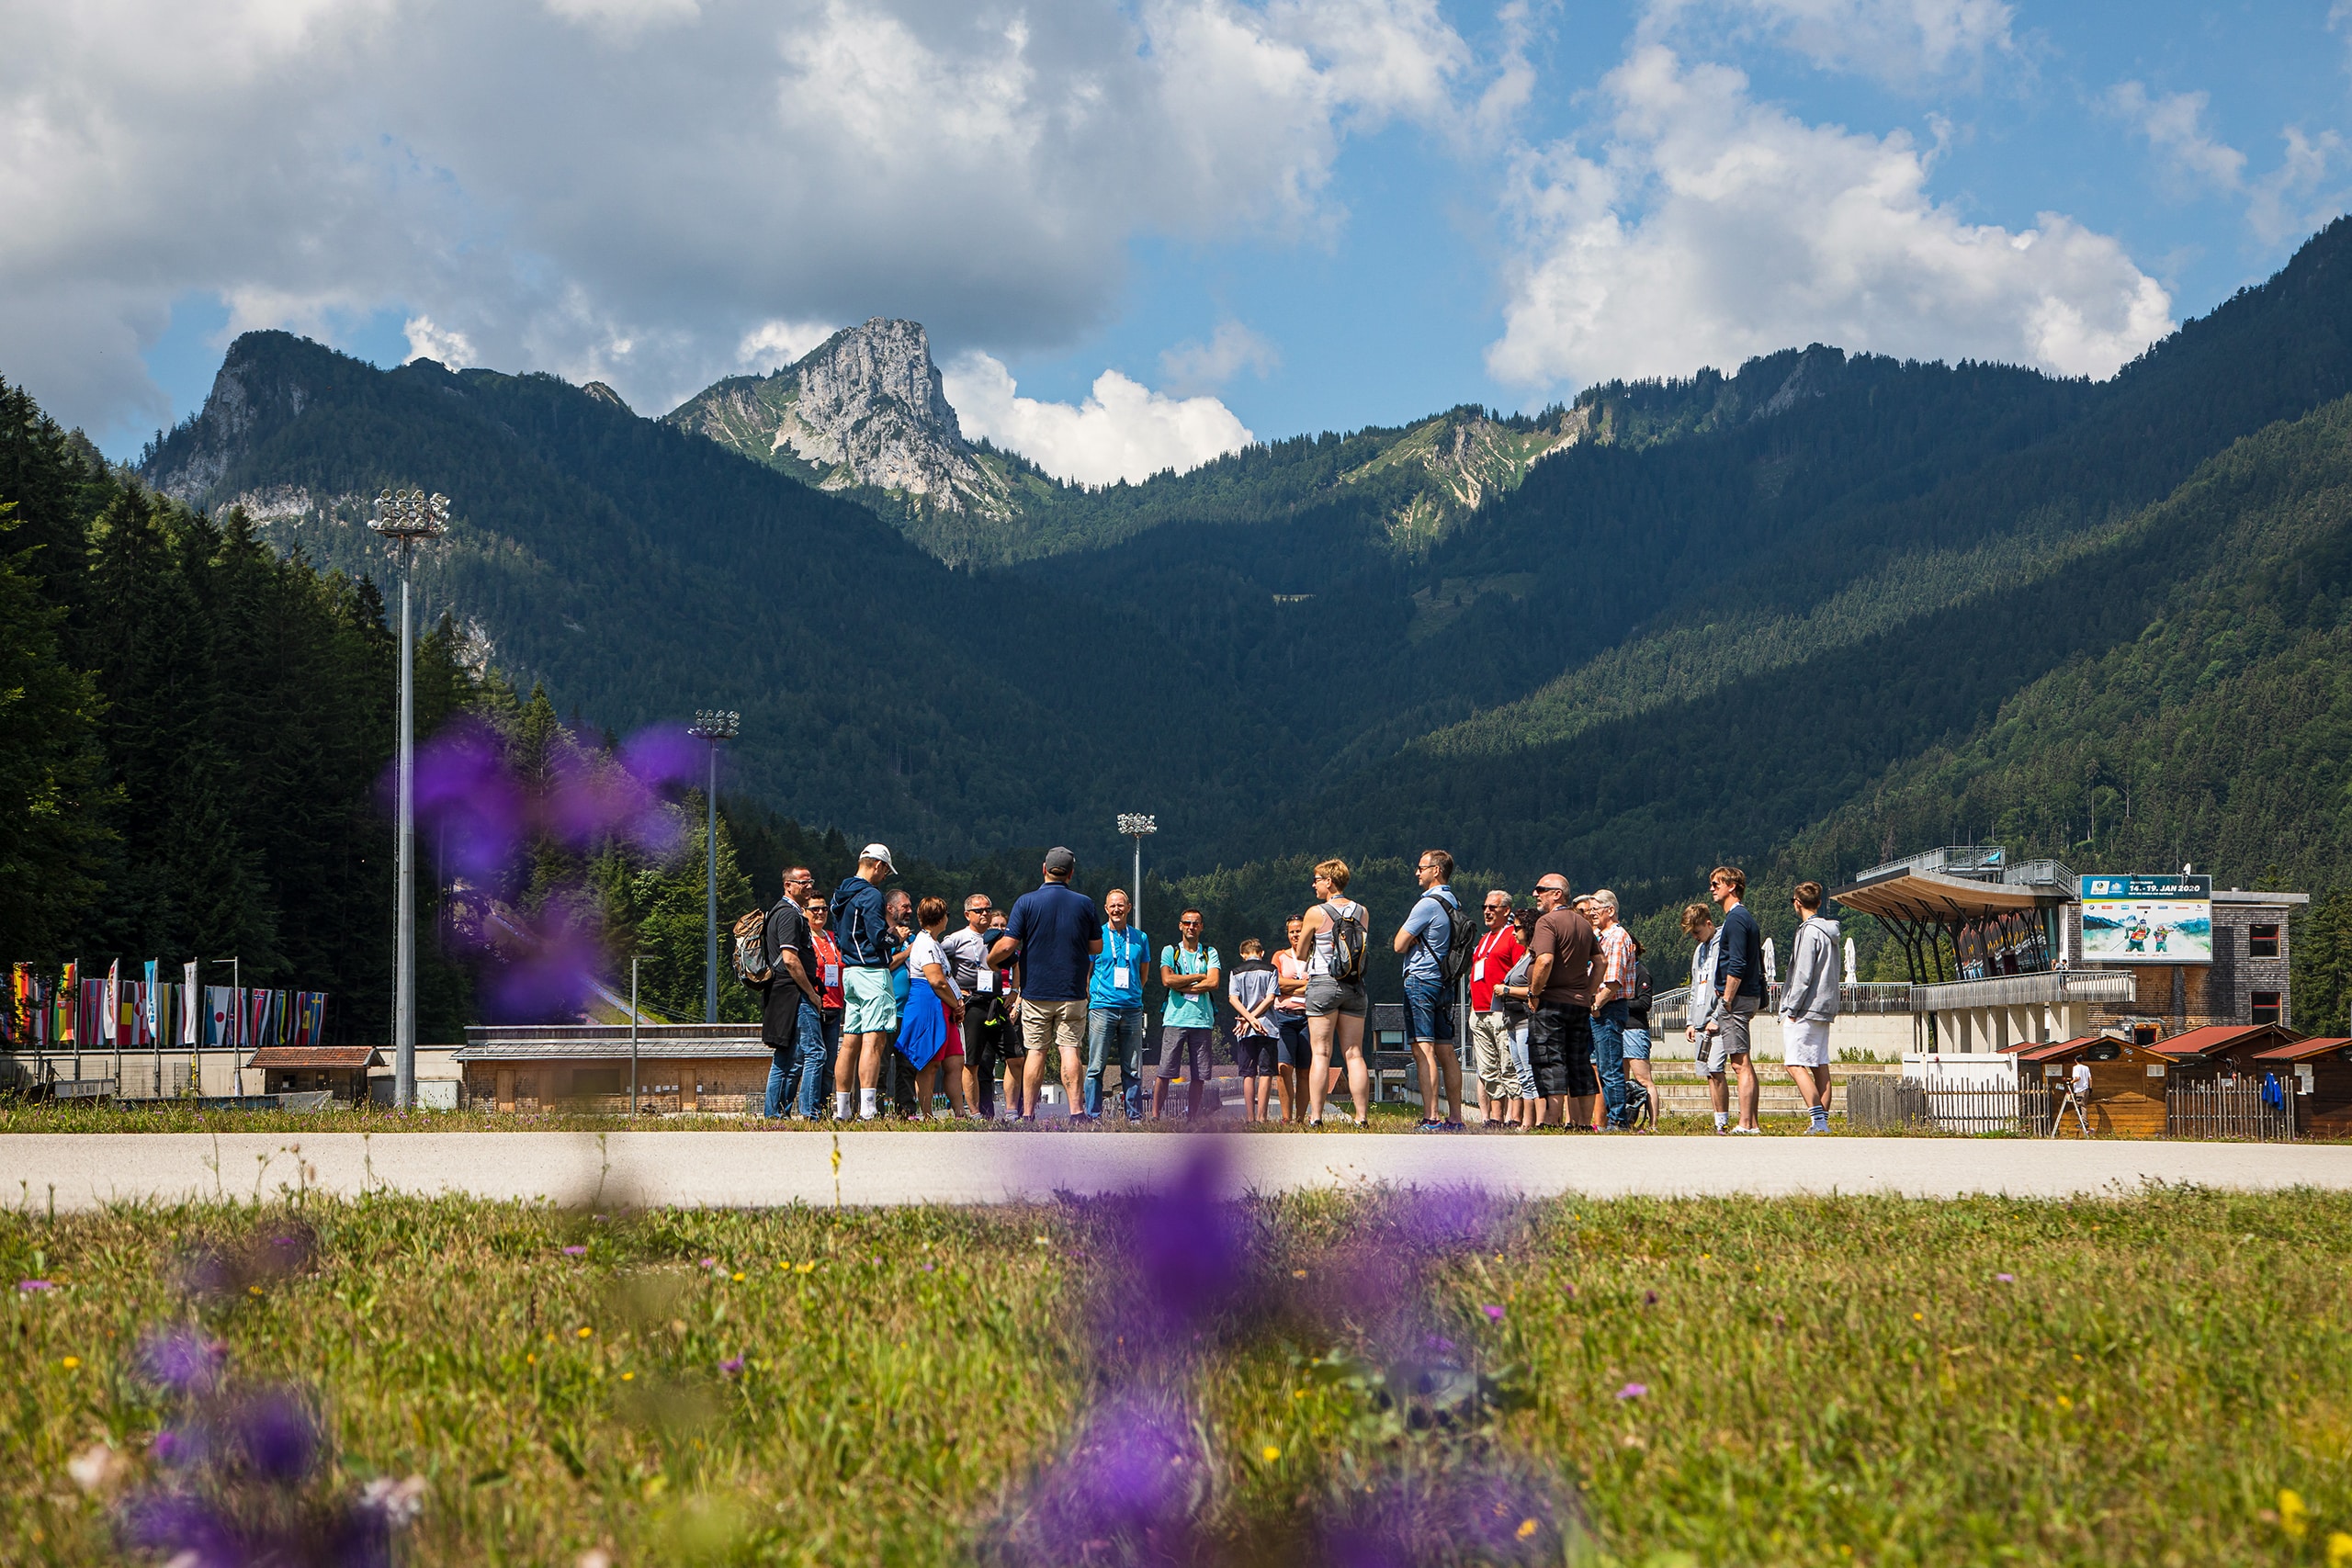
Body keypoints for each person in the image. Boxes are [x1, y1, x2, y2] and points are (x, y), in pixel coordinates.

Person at [991, 847, 1101, 1120]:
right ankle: (1077, 1112)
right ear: (1071, 874)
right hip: (1072, 991)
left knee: (1036, 1052)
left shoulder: (1026, 902)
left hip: (1036, 991)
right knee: (1070, 1049)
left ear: (1044, 869)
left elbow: (1009, 944)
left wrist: (991, 961)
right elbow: (1096, 946)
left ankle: (1027, 1113)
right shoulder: (1085, 903)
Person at [1295, 859, 1372, 1126]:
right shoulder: (1362, 911)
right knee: (1354, 1053)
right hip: (1354, 984)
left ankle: (1316, 1117)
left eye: (1317, 879)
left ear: (1329, 881)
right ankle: (1362, 1117)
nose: (1313, 884)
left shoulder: (1316, 912)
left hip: (1324, 983)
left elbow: (1301, 952)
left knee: (1321, 1053)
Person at [1394, 849, 1464, 1130]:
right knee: (1447, 1051)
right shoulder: (1452, 901)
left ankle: (1431, 1116)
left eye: (1421, 867)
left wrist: (1411, 942)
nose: (1417, 872)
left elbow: (1399, 944)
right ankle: (1455, 1117)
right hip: (1444, 981)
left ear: (1436, 870)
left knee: (1423, 1048)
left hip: (1421, 979)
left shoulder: (1426, 904)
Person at [828, 845, 898, 1122]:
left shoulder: (840, 893)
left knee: (849, 1043)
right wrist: (898, 937)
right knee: (874, 1040)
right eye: (885, 871)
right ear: (878, 865)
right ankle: (868, 1109)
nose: (884, 877)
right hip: (871, 971)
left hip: (850, 972)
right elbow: (878, 936)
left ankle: (842, 1110)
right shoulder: (870, 895)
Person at [1524, 874, 1597, 1130]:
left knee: (1549, 1059)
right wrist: (1587, 992)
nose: (1536, 894)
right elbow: (1600, 963)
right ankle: (1584, 1123)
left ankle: (1552, 1119)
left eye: (1541, 890)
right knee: (1579, 1061)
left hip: (1552, 1002)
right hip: (1578, 1004)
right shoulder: (1584, 924)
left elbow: (1544, 960)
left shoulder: (1548, 922)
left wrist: (1534, 992)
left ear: (1557, 894)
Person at [757, 867, 824, 1121]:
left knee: (787, 1056)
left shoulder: (784, 912)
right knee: (815, 1052)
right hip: (795, 993)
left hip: (783, 993)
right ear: (788, 885)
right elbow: (790, 959)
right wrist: (812, 994)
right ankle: (810, 1113)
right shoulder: (788, 915)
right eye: (803, 882)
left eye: (810, 881)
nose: (808, 886)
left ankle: (775, 1114)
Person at [1778, 880, 1843, 1134]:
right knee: (1819, 1064)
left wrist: (1791, 1008)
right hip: (1825, 1007)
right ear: (1818, 902)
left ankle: (1818, 1120)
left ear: (1797, 903)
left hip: (1804, 1008)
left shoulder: (1808, 932)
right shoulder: (1830, 932)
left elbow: (1802, 975)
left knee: (1794, 1063)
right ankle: (1822, 1122)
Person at [902, 897, 975, 1120]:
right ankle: (926, 1113)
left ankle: (959, 1112)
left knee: (954, 1060)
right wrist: (957, 1003)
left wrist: (955, 1003)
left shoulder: (934, 943)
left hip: (945, 1005)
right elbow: (936, 980)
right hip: (929, 1003)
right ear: (941, 918)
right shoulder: (925, 944)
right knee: (930, 1062)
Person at [1085, 888, 1150, 1122]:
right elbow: (1087, 971)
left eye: (1121, 905)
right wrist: (1091, 999)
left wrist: (1134, 993)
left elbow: (1143, 973)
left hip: (1132, 1008)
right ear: (1106, 908)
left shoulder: (1140, 938)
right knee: (1095, 1066)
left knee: (1132, 1067)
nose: (1116, 909)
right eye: (1112, 905)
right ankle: (1092, 1116)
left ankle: (1134, 1117)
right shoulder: (1097, 936)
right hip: (1102, 1007)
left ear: (1129, 908)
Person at [1710, 866, 1765, 1134]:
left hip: (1737, 998)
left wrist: (1727, 1000)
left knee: (1739, 1063)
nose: (1712, 888)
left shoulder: (1735, 919)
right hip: (1747, 996)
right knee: (1743, 1060)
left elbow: (1738, 962)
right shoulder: (1743, 918)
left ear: (1732, 886)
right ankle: (1751, 1121)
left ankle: (1745, 1123)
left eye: (1716, 883)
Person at [942, 893, 1005, 1118]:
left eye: (988, 909)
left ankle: (1003, 1112)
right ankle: (976, 1112)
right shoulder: (956, 939)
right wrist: (955, 992)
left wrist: (1015, 991)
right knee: (972, 1061)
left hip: (995, 1002)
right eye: (979, 910)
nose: (985, 914)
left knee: (1004, 1059)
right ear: (968, 914)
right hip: (971, 1003)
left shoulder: (998, 937)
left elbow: (1015, 961)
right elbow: (938, 963)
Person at [1155, 908, 1222, 1120]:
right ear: (1180, 925)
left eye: (1195, 923)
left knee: (1199, 1075)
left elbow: (1214, 982)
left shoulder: (1209, 952)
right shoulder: (1169, 951)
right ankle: (1156, 1117)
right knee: (1165, 1071)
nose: (1191, 927)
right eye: (1187, 923)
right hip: (1175, 1018)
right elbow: (1167, 980)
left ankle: (1192, 1119)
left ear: (1201, 926)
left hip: (1202, 1020)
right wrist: (1198, 977)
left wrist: (1182, 985)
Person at [1466, 890, 1523, 1128]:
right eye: (1485, 907)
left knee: (1508, 1064)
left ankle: (1514, 1116)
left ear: (1506, 911)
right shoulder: (1484, 939)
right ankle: (1495, 1117)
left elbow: (1520, 973)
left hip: (1501, 1010)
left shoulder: (1512, 936)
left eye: (1493, 907)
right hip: (1478, 1011)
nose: (1487, 911)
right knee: (1488, 1068)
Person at [1584, 890, 1635, 1130]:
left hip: (1608, 1008)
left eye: (1596, 909)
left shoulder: (1616, 937)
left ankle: (1618, 1120)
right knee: (1602, 1066)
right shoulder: (1599, 936)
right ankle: (1612, 1119)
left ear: (1610, 910)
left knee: (1611, 1067)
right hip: (1600, 1008)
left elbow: (1613, 982)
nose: (1591, 913)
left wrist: (1595, 1005)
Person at [1680, 902, 1730, 1133]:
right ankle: (1717, 1119)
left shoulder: (1722, 945)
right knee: (1708, 1073)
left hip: (1716, 1020)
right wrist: (1690, 1020)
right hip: (1700, 1020)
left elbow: (1726, 985)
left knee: (1717, 1069)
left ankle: (1723, 1120)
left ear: (1709, 924)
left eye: (1697, 932)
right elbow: (1693, 987)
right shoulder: (1698, 951)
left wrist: (1717, 1017)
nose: (1695, 937)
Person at [1227, 938, 1281, 1122]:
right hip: (1267, 1026)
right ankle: (1262, 1117)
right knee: (1266, 1072)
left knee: (1248, 1074)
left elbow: (1233, 999)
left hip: (1244, 1029)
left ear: (1242, 954)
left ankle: (1249, 1117)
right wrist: (1255, 1019)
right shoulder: (1271, 970)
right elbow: (1270, 998)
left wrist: (1248, 1019)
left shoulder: (1235, 972)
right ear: (1262, 953)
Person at [802, 891, 845, 1118]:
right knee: (814, 1059)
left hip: (835, 1006)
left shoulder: (832, 937)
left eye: (823, 909)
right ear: (804, 911)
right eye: (814, 909)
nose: (820, 913)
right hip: (814, 1005)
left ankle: (824, 1109)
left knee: (829, 1064)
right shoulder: (804, 938)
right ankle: (810, 1111)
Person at [1497, 908, 1541, 1128]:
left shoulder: (1533, 957)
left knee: (1529, 1072)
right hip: (1512, 1022)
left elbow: (1535, 989)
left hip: (1525, 1021)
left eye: (1517, 929)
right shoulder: (1523, 956)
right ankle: (1526, 1120)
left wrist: (1506, 991)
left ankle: (1530, 1121)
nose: (1513, 933)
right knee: (1521, 1073)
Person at [1272, 916, 1312, 1122]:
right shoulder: (1280, 956)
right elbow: (1275, 984)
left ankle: (1301, 1119)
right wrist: (1304, 985)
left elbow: (1320, 985)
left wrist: (1290, 985)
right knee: (1283, 1068)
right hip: (1283, 1016)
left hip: (1308, 1018)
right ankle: (1286, 1118)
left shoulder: (1314, 955)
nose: (1296, 935)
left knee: (1305, 1071)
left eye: (1299, 931)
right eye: (1292, 932)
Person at [885, 888, 920, 1116]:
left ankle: (906, 1111)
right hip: (887, 1011)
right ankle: (874, 1110)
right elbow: (884, 965)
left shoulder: (914, 938)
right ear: (890, 908)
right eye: (905, 906)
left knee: (907, 1067)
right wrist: (907, 950)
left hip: (910, 1012)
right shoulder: (882, 937)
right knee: (880, 1065)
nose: (909, 911)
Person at [1622, 935, 1655, 1129]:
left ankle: (1654, 1123)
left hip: (1635, 1029)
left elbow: (1644, 1003)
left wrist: (1618, 1003)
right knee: (1623, 1080)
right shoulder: (1625, 973)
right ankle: (1626, 1121)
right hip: (1621, 1028)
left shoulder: (1641, 972)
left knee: (1643, 1079)